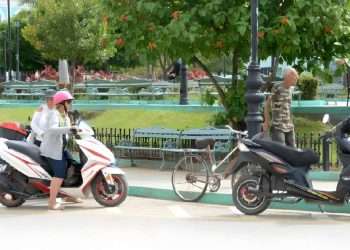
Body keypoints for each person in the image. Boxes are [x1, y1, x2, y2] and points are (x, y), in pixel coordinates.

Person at [40, 90, 81, 210]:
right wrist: (69, 128)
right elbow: (52, 129)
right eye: (68, 102)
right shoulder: (54, 114)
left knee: (73, 165)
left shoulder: (66, 116)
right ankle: (52, 203)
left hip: (62, 148)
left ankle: (66, 195)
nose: (70, 104)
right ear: (61, 103)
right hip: (52, 150)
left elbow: (68, 132)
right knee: (59, 174)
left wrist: (78, 133)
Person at [263, 67, 299, 147]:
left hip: (289, 126)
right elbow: (267, 104)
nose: (296, 79)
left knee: (293, 150)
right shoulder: (277, 87)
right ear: (288, 76)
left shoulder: (291, 89)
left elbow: (288, 107)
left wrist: (291, 121)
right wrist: (266, 121)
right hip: (278, 126)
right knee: (281, 150)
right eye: (295, 77)